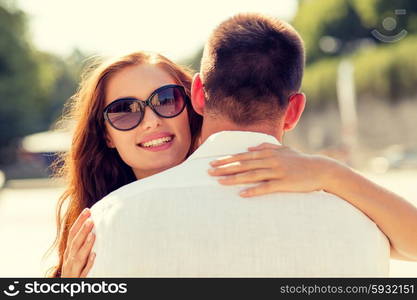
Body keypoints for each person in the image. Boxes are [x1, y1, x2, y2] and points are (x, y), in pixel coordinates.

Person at [77, 13, 417, 277]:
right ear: (295, 110)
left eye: (165, 100)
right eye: (124, 111)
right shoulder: (364, 223)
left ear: (195, 95)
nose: (151, 121)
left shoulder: (103, 226)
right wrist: (331, 175)